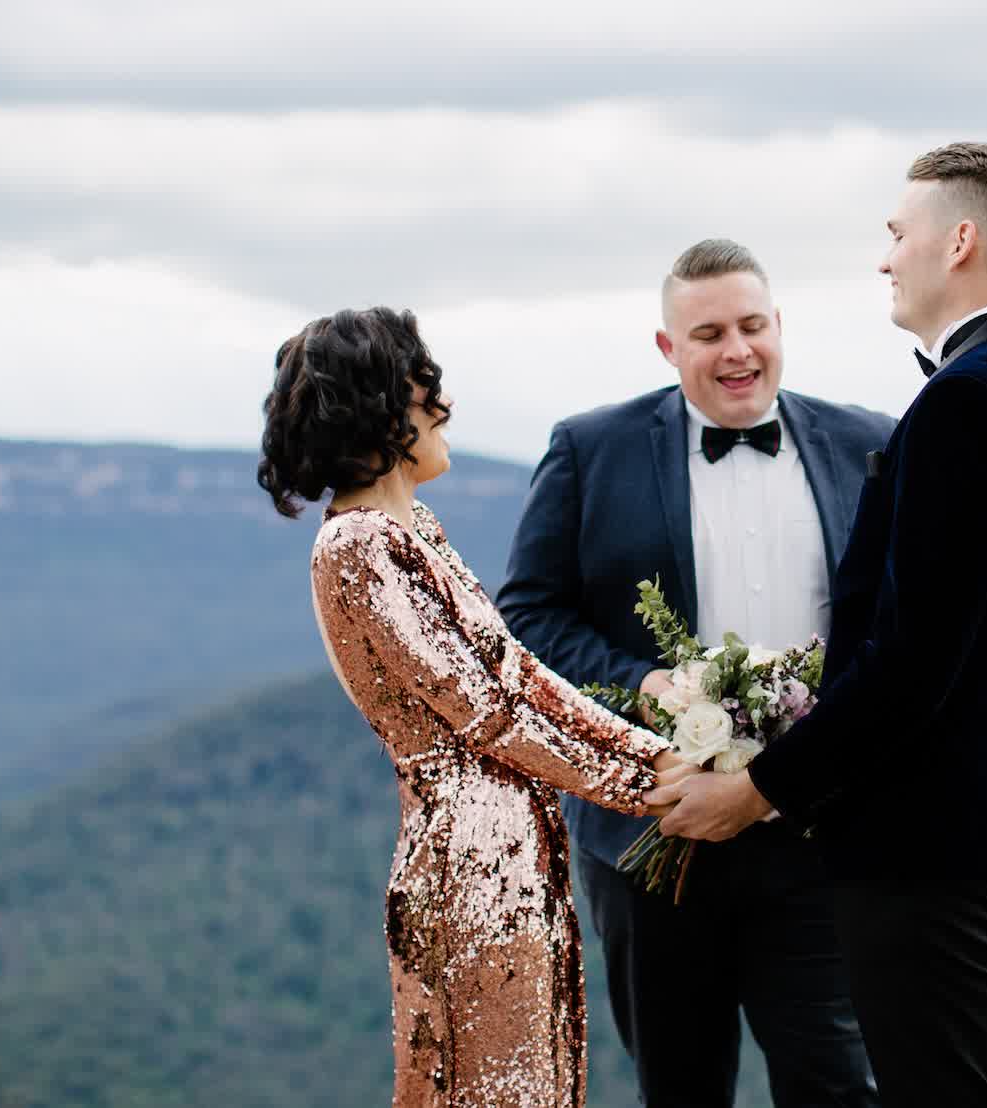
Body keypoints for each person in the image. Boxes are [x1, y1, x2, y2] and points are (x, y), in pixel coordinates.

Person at [651, 143, 987, 1108]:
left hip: (923, 843)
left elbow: (916, 660)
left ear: (960, 242)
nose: (887, 257)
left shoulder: (967, 403)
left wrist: (758, 789)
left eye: (899, 234)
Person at [256, 306, 691, 1108]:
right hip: (466, 866)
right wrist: (651, 787)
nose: (444, 410)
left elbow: (519, 673)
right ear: (382, 409)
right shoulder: (357, 547)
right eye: (427, 393)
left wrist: (652, 754)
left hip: (515, 847)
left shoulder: (412, 526)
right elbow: (487, 712)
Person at [497, 240, 890, 1106]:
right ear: (669, 348)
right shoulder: (591, 449)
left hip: (818, 830)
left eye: (753, 326)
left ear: (780, 326)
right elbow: (525, 618)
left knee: (837, 1085)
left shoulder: (871, 445)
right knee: (680, 1089)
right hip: (652, 835)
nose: (737, 351)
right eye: (708, 333)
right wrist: (645, 684)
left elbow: (900, 634)